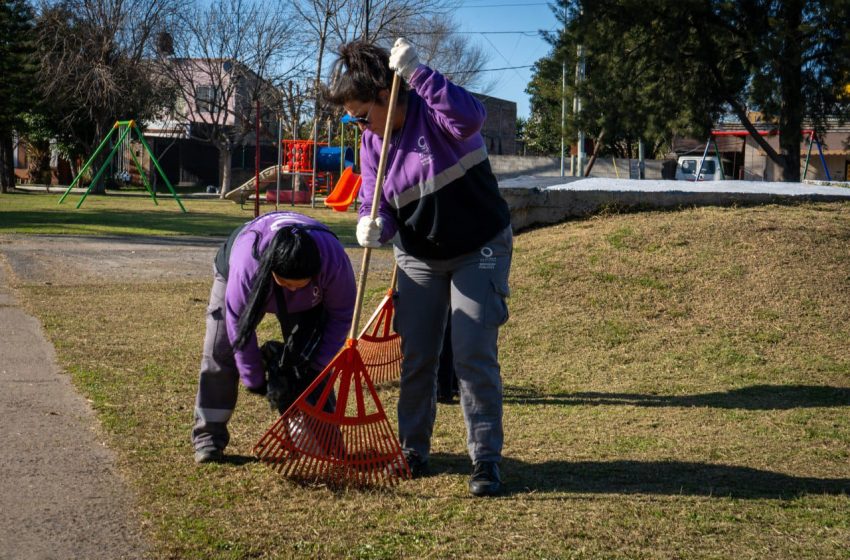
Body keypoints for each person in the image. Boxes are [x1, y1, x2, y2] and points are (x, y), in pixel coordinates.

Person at [326, 38, 513, 496]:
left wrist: (417, 72)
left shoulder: (436, 112)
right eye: (351, 119)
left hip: (479, 246)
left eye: (361, 114)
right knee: (417, 357)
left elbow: (472, 118)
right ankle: (413, 449)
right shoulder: (373, 144)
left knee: (471, 352)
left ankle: (485, 459)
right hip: (419, 257)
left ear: (386, 95)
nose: (358, 125)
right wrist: (370, 223)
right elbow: (377, 201)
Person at [192, 211, 355, 464]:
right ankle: (208, 439)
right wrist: (255, 380)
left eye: (300, 284)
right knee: (221, 351)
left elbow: (341, 316)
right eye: (287, 283)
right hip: (242, 269)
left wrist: (317, 366)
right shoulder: (248, 266)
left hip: (310, 300)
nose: (293, 289)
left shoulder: (333, 262)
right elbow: (239, 329)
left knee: (308, 365)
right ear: (272, 271)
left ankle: (323, 443)